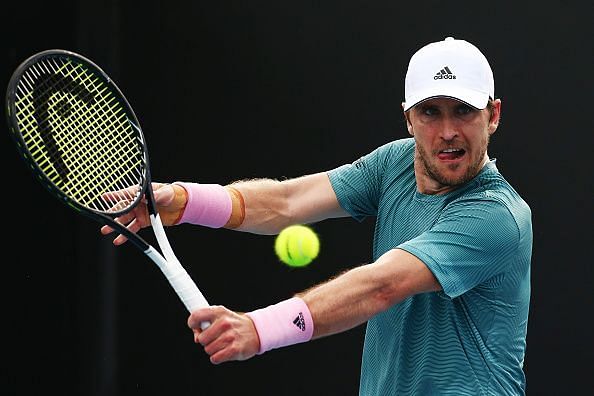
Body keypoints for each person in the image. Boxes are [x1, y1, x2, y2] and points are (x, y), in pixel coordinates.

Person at [103, 36, 532, 395]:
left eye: (463, 110)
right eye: (430, 112)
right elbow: (286, 202)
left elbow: (381, 285)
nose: (448, 131)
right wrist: (183, 200)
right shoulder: (395, 164)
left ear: (492, 115)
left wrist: (258, 329)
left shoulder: (497, 216)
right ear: (408, 118)